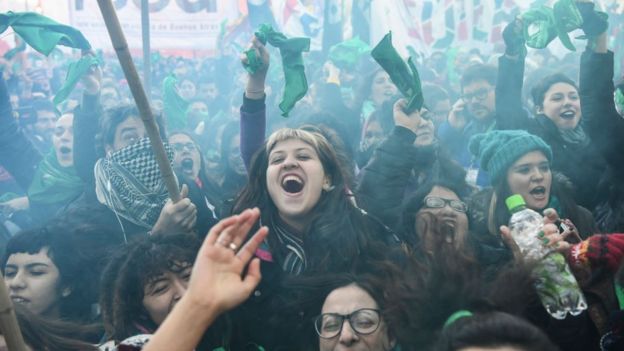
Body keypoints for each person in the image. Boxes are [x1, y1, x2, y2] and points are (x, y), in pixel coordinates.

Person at [494, 8, 611, 210]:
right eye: (557, 98)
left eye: (573, 97)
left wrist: (597, 35)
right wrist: (513, 53)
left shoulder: (598, 133)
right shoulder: (533, 136)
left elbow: (597, 91)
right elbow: (508, 105)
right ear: (539, 108)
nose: (567, 102)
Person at [467, 130, 595, 268]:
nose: (539, 176)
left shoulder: (580, 217)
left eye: (544, 167)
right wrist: (524, 269)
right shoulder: (483, 234)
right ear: (503, 182)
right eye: (524, 170)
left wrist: (580, 252)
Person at [2, 226, 95, 323]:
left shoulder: (96, 336)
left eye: (36, 272)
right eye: (10, 273)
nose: (15, 283)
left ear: (67, 285)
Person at [438, 64, 498, 187]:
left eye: (481, 93)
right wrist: (451, 128)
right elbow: (442, 161)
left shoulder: (516, 124)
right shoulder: (466, 128)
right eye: (468, 96)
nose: (474, 101)